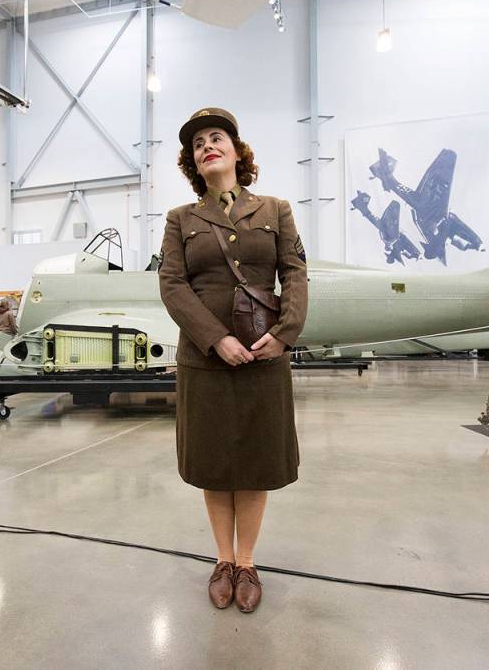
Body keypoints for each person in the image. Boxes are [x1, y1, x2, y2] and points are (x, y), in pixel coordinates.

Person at [159, 108, 308, 614]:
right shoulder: (181, 220)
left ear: (237, 151)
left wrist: (284, 335)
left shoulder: (277, 209)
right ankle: (222, 560)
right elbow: (173, 286)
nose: (207, 146)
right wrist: (215, 338)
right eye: (198, 143)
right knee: (215, 463)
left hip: (265, 357)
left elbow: (296, 275)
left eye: (216, 137)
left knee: (257, 462)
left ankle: (247, 562)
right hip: (205, 360)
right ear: (193, 163)